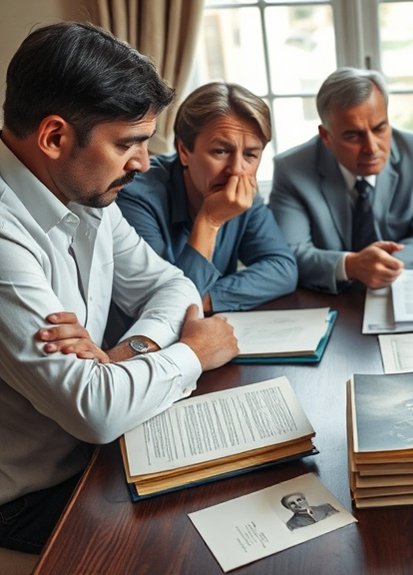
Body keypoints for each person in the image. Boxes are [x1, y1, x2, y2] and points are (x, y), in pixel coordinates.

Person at [0, 22, 237, 554]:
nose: (144, 163)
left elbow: (172, 283)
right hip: (31, 500)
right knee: (201, 547)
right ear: (55, 137)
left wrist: (129, 351)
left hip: (99, 455)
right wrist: (194, 352)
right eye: (128, 143)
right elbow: (96, 411)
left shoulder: (84, 190)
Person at [117, 82, 298, 312]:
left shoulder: (243, 193)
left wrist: (205, 299)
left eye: (250, 154)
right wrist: (210, 220)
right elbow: (163, 308)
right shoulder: (135, 194)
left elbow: (282, 269)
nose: (237, 170)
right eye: (221, 152)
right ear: (184, 151)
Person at [270, 67, 413, 293]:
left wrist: (377, 264)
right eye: (353, 135)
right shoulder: (292, 169)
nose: (371, 148)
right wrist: (350, 266)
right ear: (326, 136)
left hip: (402, 290)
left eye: (379, 128)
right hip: (327, 299)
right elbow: (289, 253)